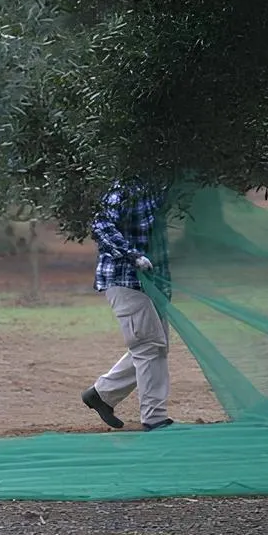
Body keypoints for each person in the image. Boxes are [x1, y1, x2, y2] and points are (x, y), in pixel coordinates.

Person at [81, 179, 174, 430]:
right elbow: (101, 224)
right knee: (149, 346)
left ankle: (101, 395)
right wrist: (131, 254)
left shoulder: (161, 187)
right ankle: (154, 418)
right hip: (125, 279)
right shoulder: (125, 188)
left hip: (152, 282)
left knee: (156, 345)